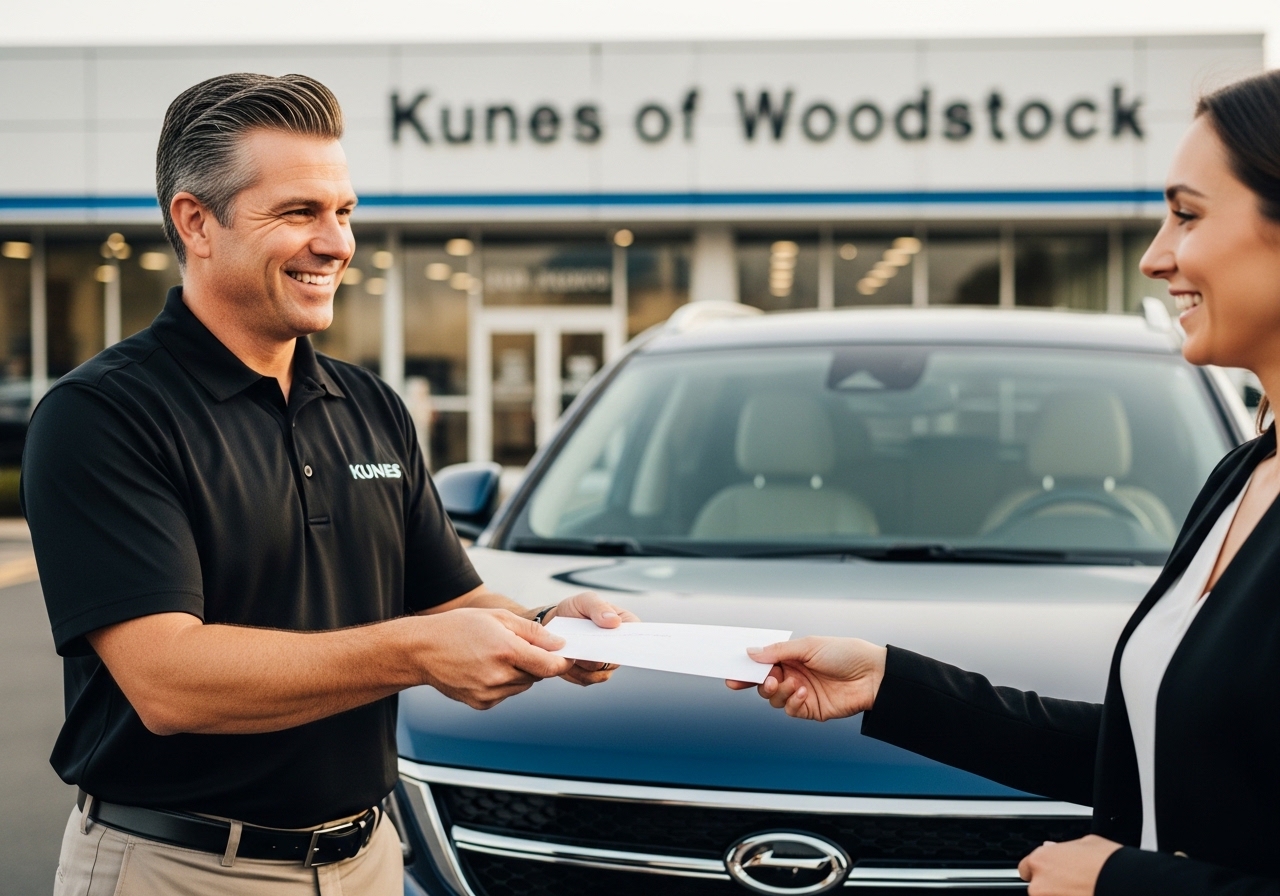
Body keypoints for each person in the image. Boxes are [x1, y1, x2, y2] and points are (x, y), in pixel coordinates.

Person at [23, 73, 634, 895]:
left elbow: (448, 602)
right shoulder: (104, 415)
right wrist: (415, 652)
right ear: (196, 222)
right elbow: (168, 681)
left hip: (370, 862)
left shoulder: (369, 405)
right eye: (299, 213)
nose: (338, 242)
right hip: (178, 869)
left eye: (342, 211)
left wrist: (552, 626)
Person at [730, 69, 1280, 896]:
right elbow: (1167, 751)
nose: (1154, 256)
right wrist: (890, 681)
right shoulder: (1246, 472)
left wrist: (1120, 884)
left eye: (1187, 214)